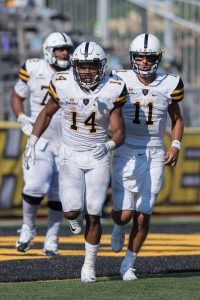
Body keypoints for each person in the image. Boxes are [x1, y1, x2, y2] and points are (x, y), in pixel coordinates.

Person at [22, 41, 128, 282]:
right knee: (71, 212)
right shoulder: (63, 83)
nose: (87, 71)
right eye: (82, 66)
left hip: (98, 156)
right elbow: (46, 113)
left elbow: (120, 130)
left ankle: (89, 265)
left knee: (94, 211)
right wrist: (32, 141)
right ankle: (73, 216)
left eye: (92, 67)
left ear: (101, 67)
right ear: (74, 66)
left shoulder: (113, 87)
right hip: (69, 154)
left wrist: (109, 145)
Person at [110, 33, 184, 280]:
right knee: (124, 215)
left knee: (145, 211)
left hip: (154, 150)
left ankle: (128, 264)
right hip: (126, 148)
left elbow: (177, 119)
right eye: (139, 57)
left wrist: (175, 145)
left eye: (148, 57)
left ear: (157, 58)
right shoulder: (118, 78)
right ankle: (119, 228)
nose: (143, 62)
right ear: (133, 57)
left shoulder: (170, 82)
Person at [11, 32, 81, 257]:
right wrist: (21, 116)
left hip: (67, 140)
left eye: (67, 49)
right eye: (60, 49)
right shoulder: (33, 68)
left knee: (58, 195)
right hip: (40, 137)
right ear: (48, 51)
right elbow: (16, 96)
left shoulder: (76, 73)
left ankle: (52, 237)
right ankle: (28, 227)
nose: (64, 53)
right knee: (33, 188)